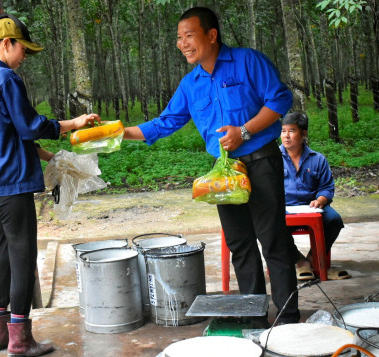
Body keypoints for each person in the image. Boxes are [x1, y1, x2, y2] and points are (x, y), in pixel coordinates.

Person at [124, 7, 300, 324]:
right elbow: (165, 122)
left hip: (260, 163)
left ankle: (288, 318)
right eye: (179, 38)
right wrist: (120, 132)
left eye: (189, 36)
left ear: (211, 35)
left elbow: (279, 100)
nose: (182, 44)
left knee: (273, 240)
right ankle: (254, 317)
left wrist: (244, 131)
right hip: (223, 176)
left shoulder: (249, 61)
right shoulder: (191, 84)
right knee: (240, 245)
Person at [0, 14, 101, 355]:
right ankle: (20, 339)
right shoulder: (6, 79)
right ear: (6, 44)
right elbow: (29, 126)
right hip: (12, 187)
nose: (24, 57)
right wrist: (72, 124)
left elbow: (8, 132)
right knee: (22, 258)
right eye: (22, 50)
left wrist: (49, 157)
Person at [280, 112, 350, 281]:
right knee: (269, 224)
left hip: (312, 207)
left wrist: (320, 200)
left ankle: (314, 259)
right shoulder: (273, 159)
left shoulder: (318, 159)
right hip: (283, 208)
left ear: (303, 134)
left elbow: (326, 187)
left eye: (292, 131)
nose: (286, 136)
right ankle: (299, 261)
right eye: (283, 131)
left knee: (334, 220)